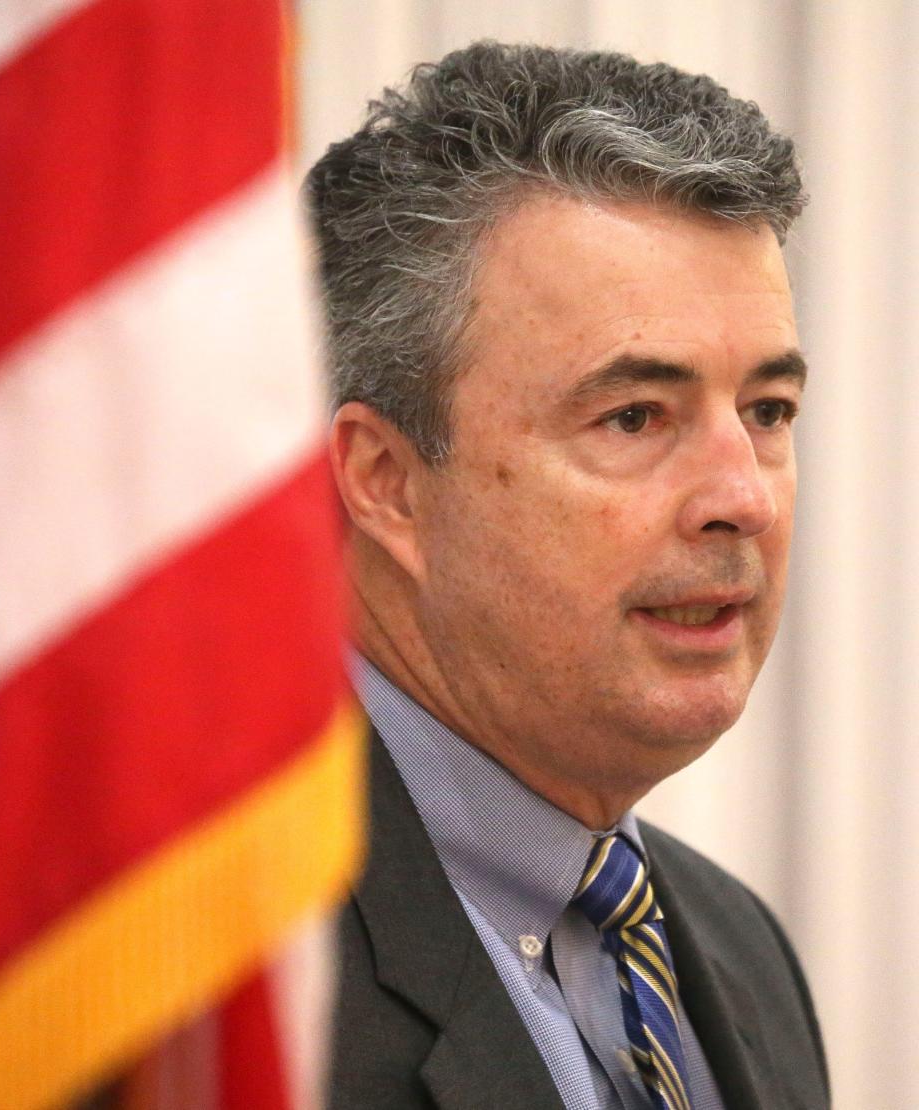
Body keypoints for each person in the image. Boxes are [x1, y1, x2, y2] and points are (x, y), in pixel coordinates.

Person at [308, 42, 829, 1110]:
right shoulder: (233, 995)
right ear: (388, 482)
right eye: (635, 416)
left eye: (768, 411)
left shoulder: (741, 952)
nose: (747, 498)